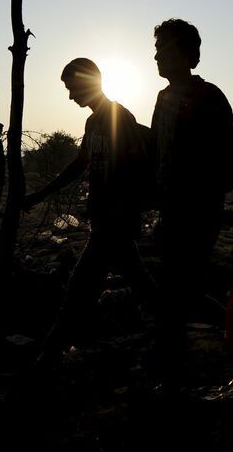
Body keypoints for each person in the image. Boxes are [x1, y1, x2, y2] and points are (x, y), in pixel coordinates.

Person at [151, 18, 233, 395]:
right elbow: (158, 154)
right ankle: (174, 373)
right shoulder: (163, 99)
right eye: (156, 50)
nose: (156, 57)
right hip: (172, 209)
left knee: (178, 292)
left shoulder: (209, 97)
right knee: (175, 292)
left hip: (199, 209)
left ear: (188, 54)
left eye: (164, 49)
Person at [25, 58, 156, 363]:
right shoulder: (93, 121)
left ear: (89, 82)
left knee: (78, 289)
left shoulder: (119, 116)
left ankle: (48, 356)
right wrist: (41, 194)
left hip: (116, 221)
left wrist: (124, 210)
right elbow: (80, 164)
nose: (71, 96)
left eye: (72, 88)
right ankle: (186, 327)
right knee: (139, 283)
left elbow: (134, 167)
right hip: (106, 220)